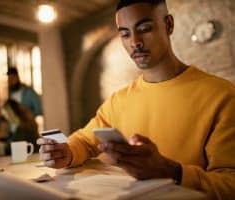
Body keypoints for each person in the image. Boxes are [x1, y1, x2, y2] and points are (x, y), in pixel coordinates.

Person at [37, 0, 235, 199]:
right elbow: (84, 140)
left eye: (144, 28)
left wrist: (172, 171)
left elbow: (230, 183)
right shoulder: (118, 100)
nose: (134, 42)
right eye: (125, 33)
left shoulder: (223, 96)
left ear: (169, 25)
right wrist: (65, 152)